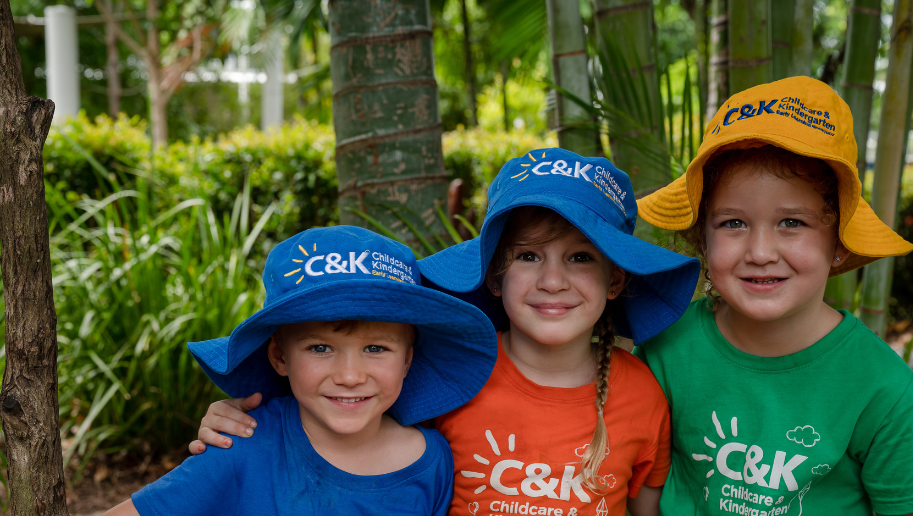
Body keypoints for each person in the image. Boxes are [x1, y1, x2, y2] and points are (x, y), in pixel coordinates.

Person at [189, 149, 702, 516]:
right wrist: (239, 420)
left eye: (580, 257)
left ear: (615, 278)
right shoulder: (447, 376)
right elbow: (337, 402)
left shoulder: (643, 395)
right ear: (494, 274)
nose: (552, 280)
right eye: (527, 256)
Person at [633, 76, 913, 515]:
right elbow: (642, 489)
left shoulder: (878, 383)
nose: (760, 253)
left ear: (839, 242)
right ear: (702, 239)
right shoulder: (667, 346)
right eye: (733, 224)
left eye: (792, 223)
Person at [104, 226, 498, 516]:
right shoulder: (240, 445)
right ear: (279, 356)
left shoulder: (434, 462)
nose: (349, 375)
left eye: (375, 348)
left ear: (408, 360)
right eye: (320, 348)